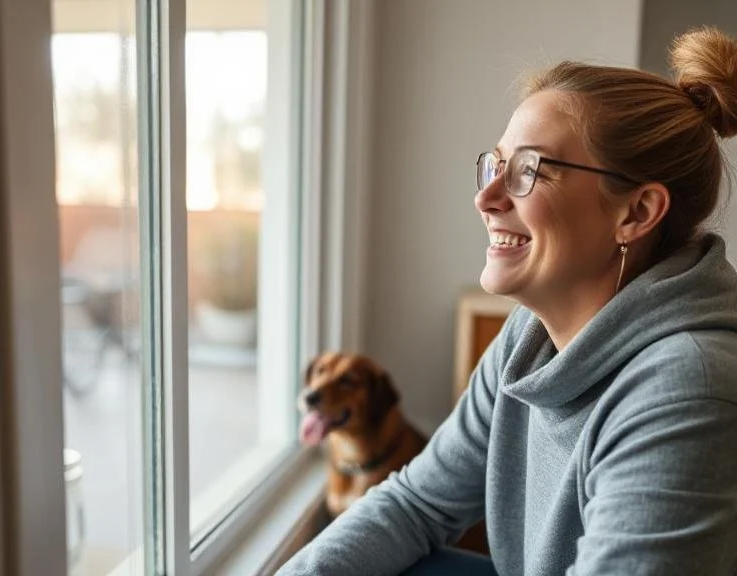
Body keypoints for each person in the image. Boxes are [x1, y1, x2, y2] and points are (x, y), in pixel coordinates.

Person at [277, 26, 737, 576]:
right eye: (496, 165)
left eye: (528, 171)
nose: (485, 197)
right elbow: (417, 503)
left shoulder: (688, 388)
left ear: (635, 213)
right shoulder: (529, 335)